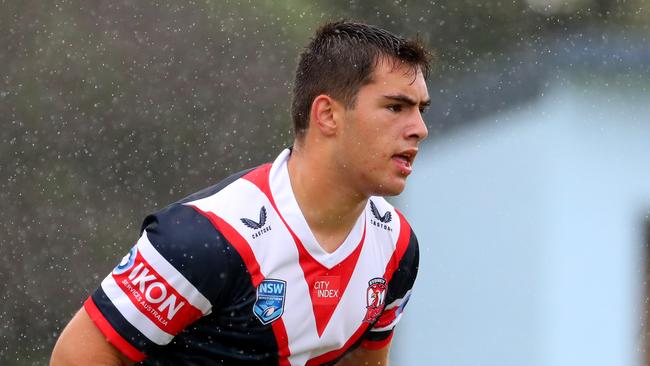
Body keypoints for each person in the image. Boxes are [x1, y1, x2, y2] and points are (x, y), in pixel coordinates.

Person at [51, 20, 432, 366]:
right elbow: (76, 356)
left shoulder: (397, 248)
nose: (418, 128)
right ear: (328, 115)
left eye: (420, 110)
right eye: (396, 107)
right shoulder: (205, 237)